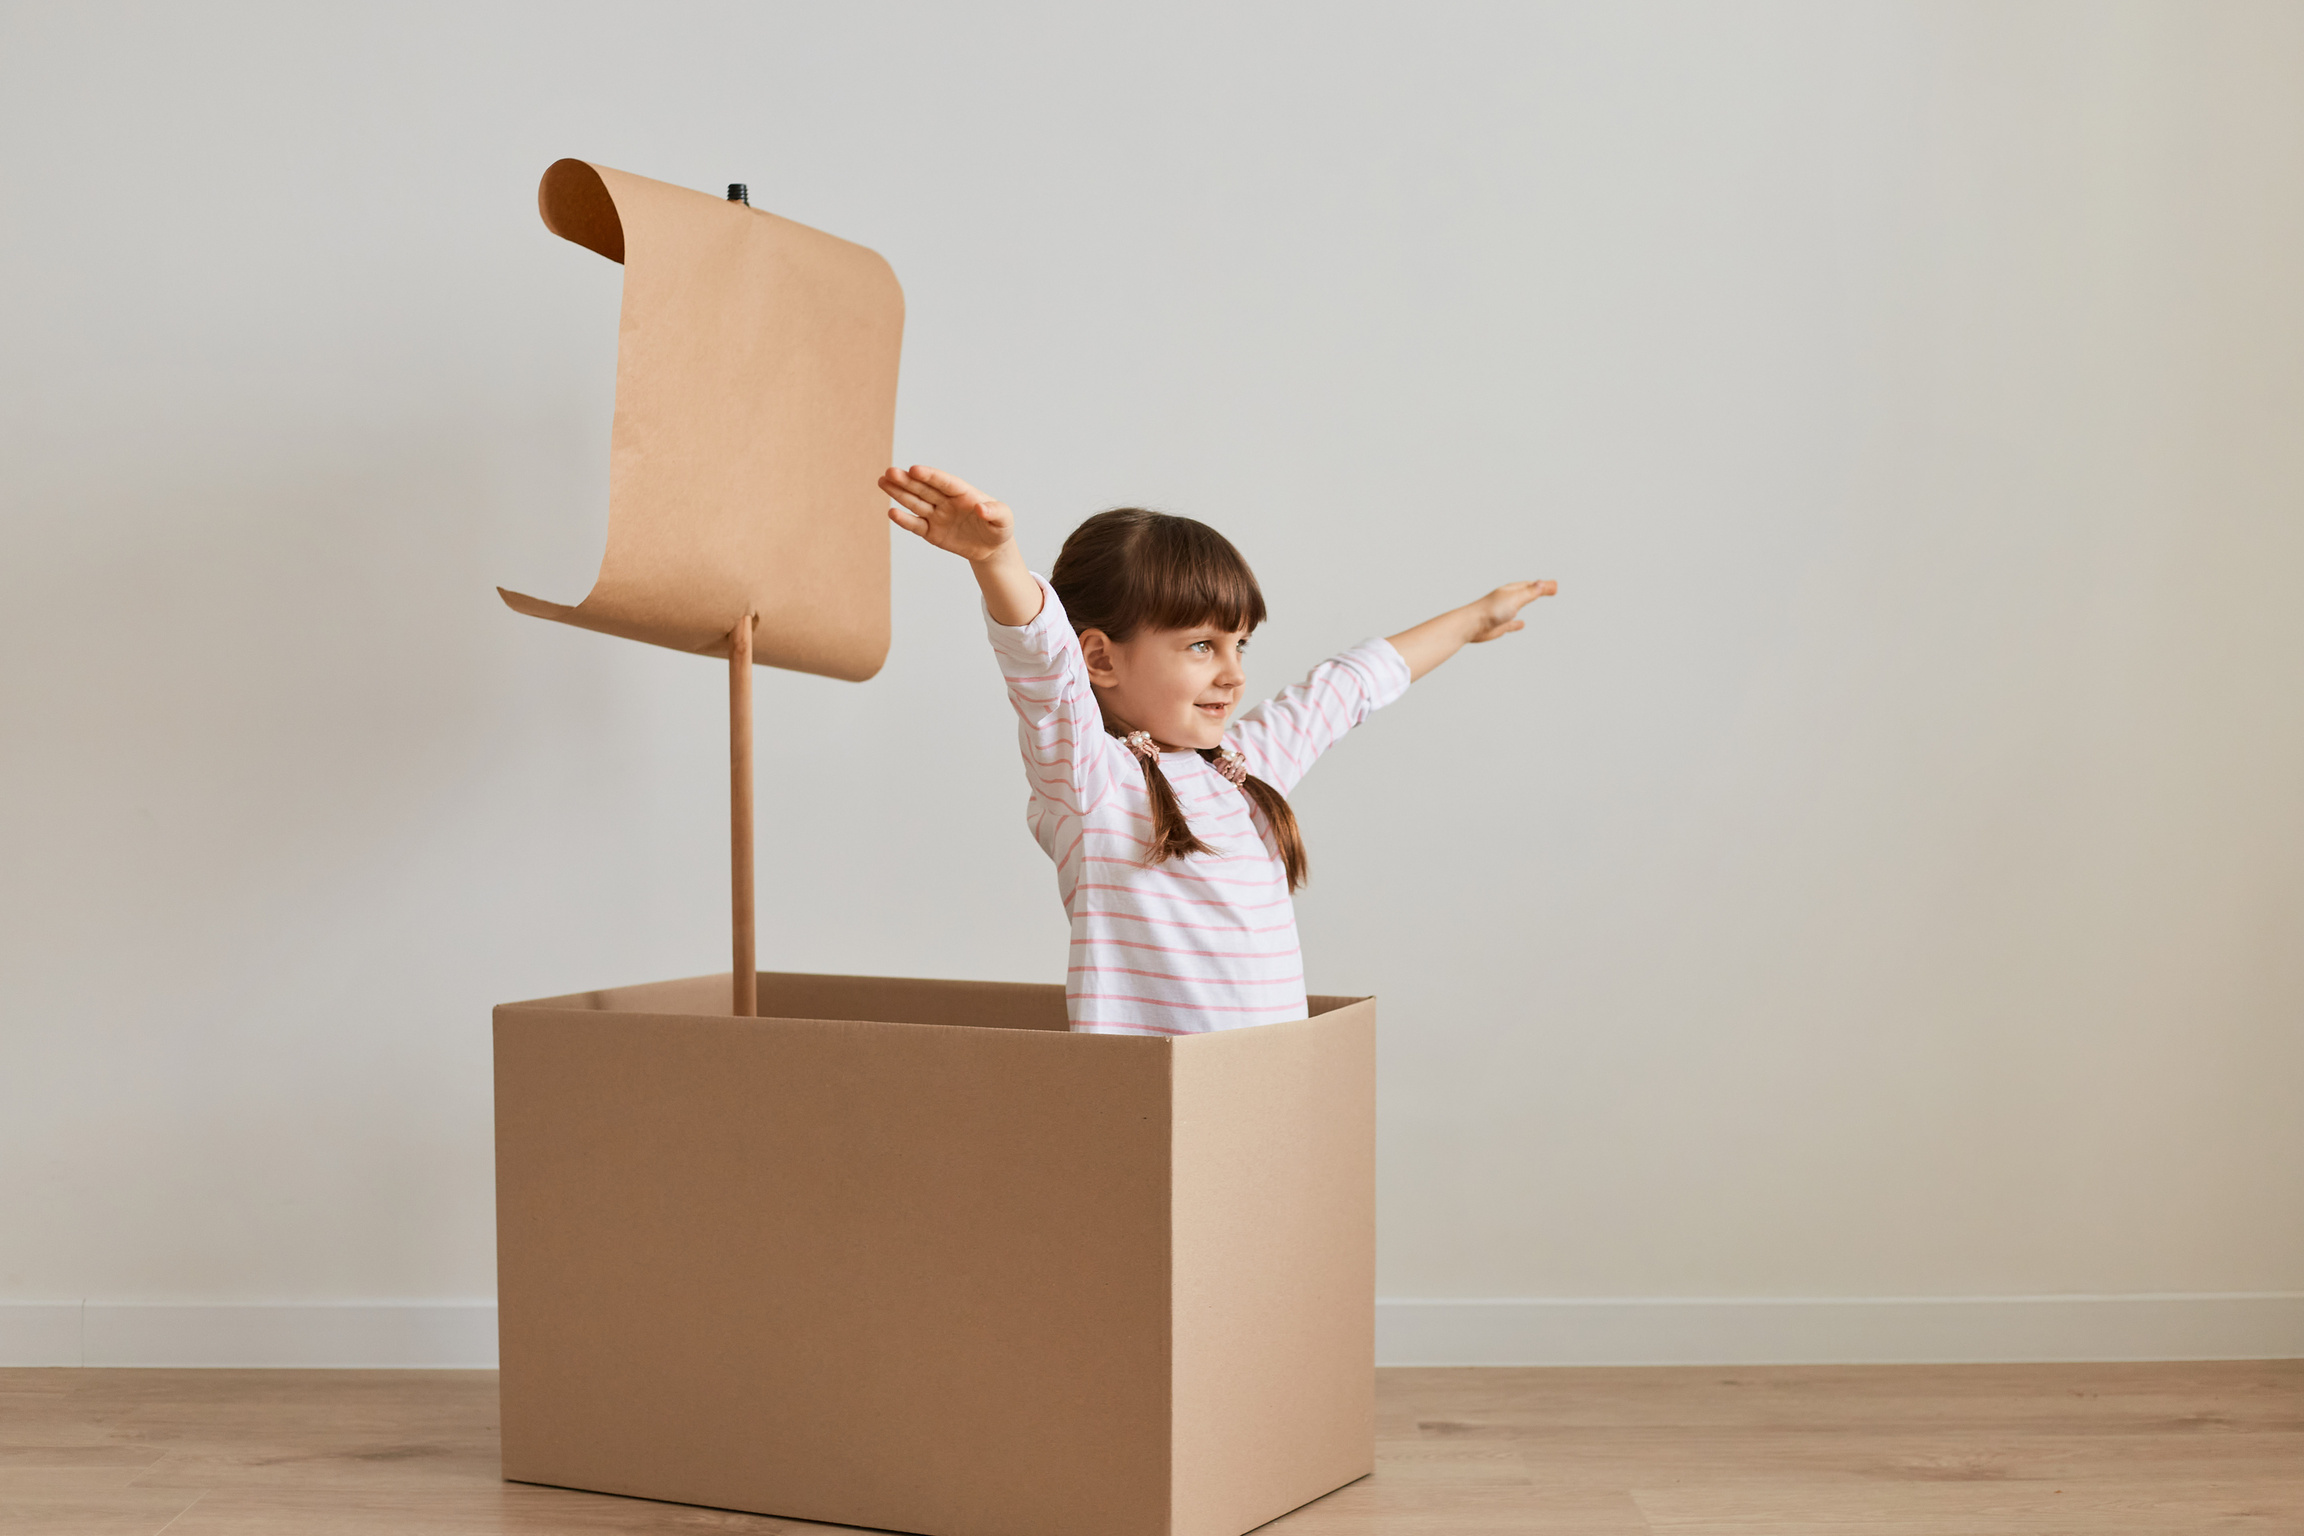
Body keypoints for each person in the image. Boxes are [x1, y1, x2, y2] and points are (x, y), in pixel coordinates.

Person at [880, 464, 1555, 1037]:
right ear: (1100, 659)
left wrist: (1472, 620)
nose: (1233, 674)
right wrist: (996, 560)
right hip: (1156, 1114)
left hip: (1264, 1101)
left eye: (1240, 645)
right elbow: (1044, 673)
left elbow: (1348, 686)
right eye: (1202, 646)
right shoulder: (1093, 783)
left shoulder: (1242, 769)